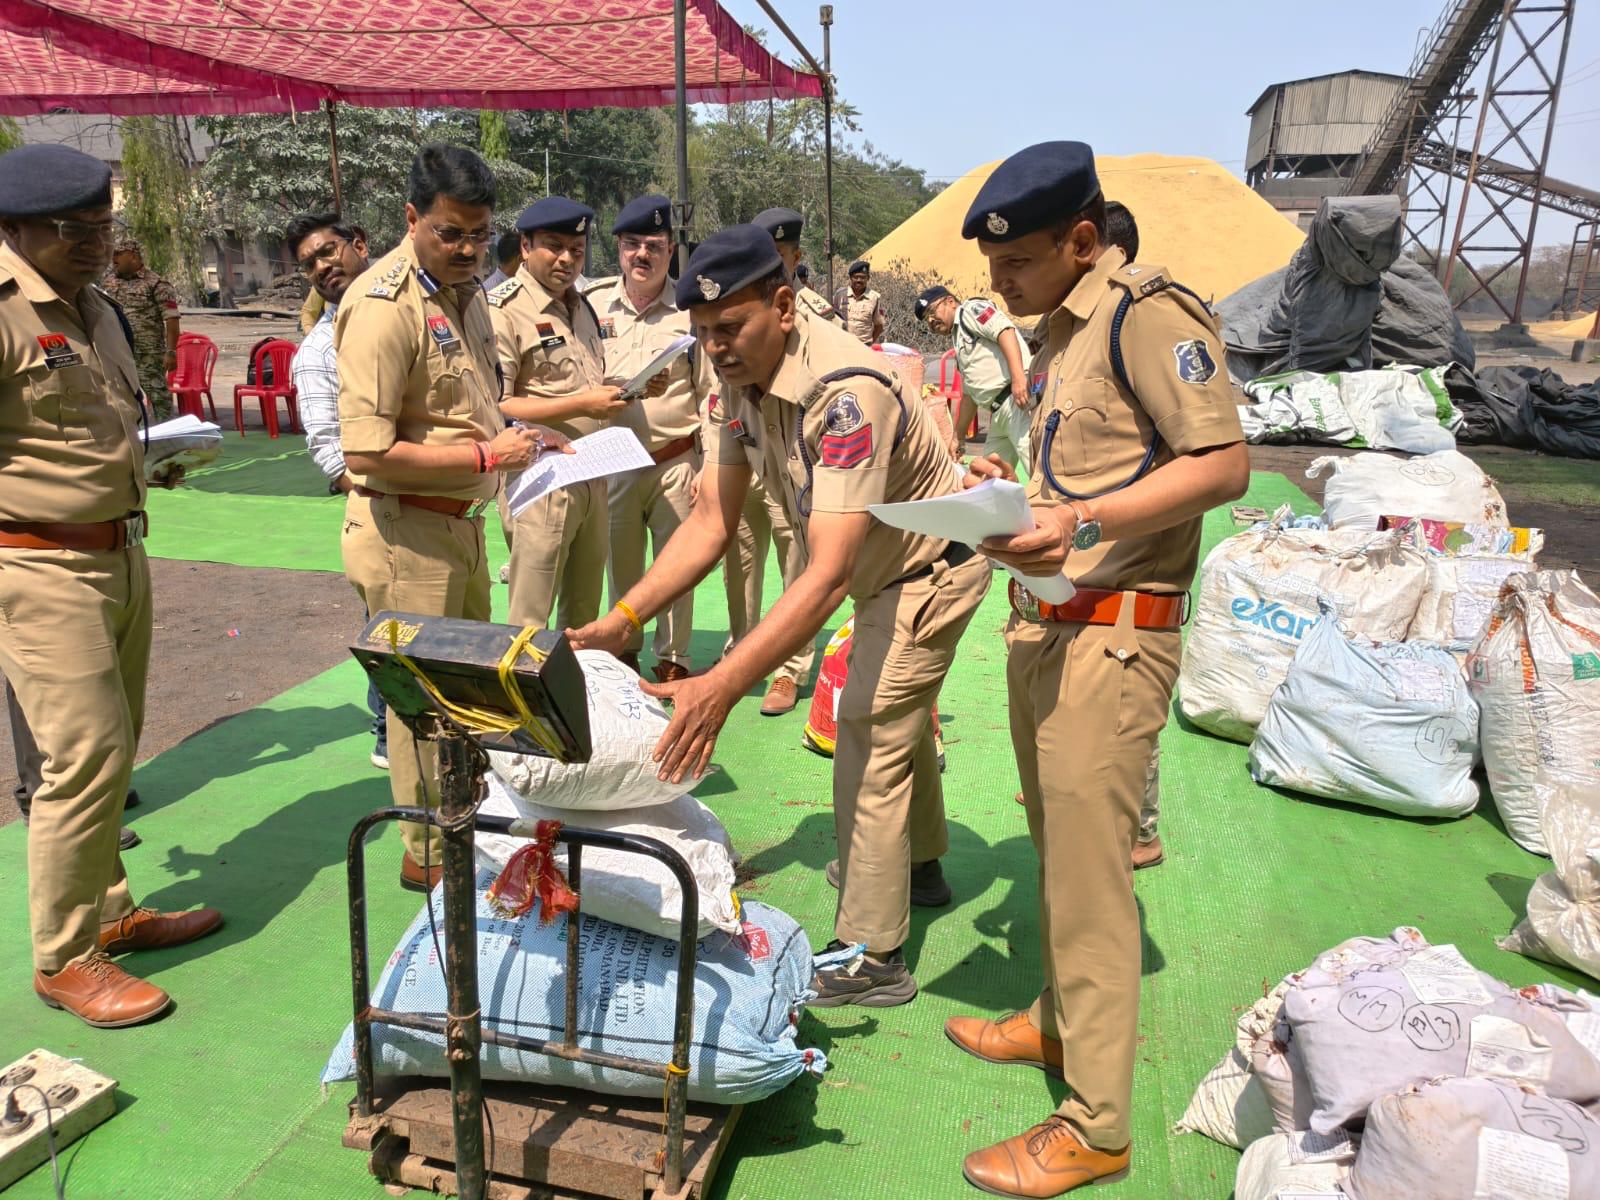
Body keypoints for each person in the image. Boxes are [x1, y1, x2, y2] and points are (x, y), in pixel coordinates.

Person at [570, 226, 991, 1007]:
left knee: (865, 727)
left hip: (928, 572)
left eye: (730, 329)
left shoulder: (846, 391)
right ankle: (921, 862)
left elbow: (826, 570)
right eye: (701, 335)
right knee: (888, 717)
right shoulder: (733, 376)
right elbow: (708, 522)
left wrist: (723, 683)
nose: (716, 349)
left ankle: (872, 956)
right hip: (878, 570)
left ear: (786, 306)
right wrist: (623, 619)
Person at [946, 142, 1248, 1196]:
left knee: (1092, 883)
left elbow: (1222, 463)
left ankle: (1097, 1125)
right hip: (1050, 626)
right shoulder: (1068, 334)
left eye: (1015, 262)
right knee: (1057, 855)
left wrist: (1077, 517)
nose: (999, 284)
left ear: (1081, 240)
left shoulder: (1146, 316)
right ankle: (1058, 1024)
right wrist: (1014, 489)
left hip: (1113, 638)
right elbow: (1091, 465)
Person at [0, 143, 223, 1028]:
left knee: (117, 743)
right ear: (15, 229)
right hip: (38, 561)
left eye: (103, 226)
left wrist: (147, 464)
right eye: (74, 230)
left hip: (120, 547)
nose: (97, 243)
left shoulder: (94, 308)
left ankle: (108, 910)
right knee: (81, 755)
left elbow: (90, 432)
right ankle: (63, 958)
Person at [335, 144, 547, 893]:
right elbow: (365, 452)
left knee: (466, 691)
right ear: (412, 218)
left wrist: (518, 443)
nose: (466, 249)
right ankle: (429, 857)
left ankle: (461, 822)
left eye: (480, 234)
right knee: (420, 705)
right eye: (450, 233)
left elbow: (472, 408)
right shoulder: (381, 308)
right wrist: (488, 460)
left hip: (459, 527)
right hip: (405, 533)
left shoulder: (468, 296)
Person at [584, 195, 708, 683]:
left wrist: (709, 461)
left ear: (670, 248)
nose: (642, 255)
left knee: (678, 567)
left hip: (674, 460)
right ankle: (625, 651)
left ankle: (674, 658)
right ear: (618, 248)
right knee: (623, 565)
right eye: (632, 244)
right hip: (613, 460)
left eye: (653, 245)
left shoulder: (690, 309)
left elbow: (709, 390)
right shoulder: (592, 305)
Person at [488, 196, 622, 634]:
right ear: (525, 246)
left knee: (583, 613)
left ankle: (571, 698)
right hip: (542, 478)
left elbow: (585, 382)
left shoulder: (581, 306)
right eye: (554, 246)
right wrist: (582, 405)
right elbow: (499, 403)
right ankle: (524, 702)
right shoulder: (503, 309)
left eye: (577, 249)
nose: (567, 259)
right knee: (531, 616)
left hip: (592, 471)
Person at [285, 210, 389, 771]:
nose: (323, 267)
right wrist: (397, 484)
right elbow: (329, 452)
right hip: (380, 509)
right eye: (310, 264)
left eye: (329, 252)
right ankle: (385, 728)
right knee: (392, 627)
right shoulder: (320, 351)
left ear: (359, 244)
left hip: (449, 510)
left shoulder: (410, 314)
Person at [914, 284, 1034, 470]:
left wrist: (1019, 378)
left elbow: (1004, 331)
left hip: (1016, 402)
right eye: (925, 319)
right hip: (999, 413)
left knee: (1039, 472)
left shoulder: (969, 311)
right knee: (992, 478)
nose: (930, 320)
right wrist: (957, 437)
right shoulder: (959, 335)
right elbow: (970, 395)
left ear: (950, 301)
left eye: (932, 311)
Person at [100, 235, 181, 419]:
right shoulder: (108, 282)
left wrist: (171, 351)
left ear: (134, 256)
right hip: (116, 351)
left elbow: (172, 320)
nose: (114, 259)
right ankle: (131, 436)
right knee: (120, 395)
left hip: (147, 353)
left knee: (157, 395)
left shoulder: (156, 284)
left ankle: (166, 434)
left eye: (119, 254)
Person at [752, 207, 840, 326]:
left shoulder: (815, 315)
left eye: (776, 256)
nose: (767, 264)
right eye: (761, 255)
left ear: (796, 258)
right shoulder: (744, 303)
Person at [834, 259, 884, 346]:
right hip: (842, 344)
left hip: (864, 345)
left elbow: (879, 325)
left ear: (868, 278)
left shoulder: (874, 297)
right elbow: (831, 319)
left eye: (862, 277)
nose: (859, 280)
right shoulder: (840, 295)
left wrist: (870, 343)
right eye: (855, 277)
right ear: (850, 278)